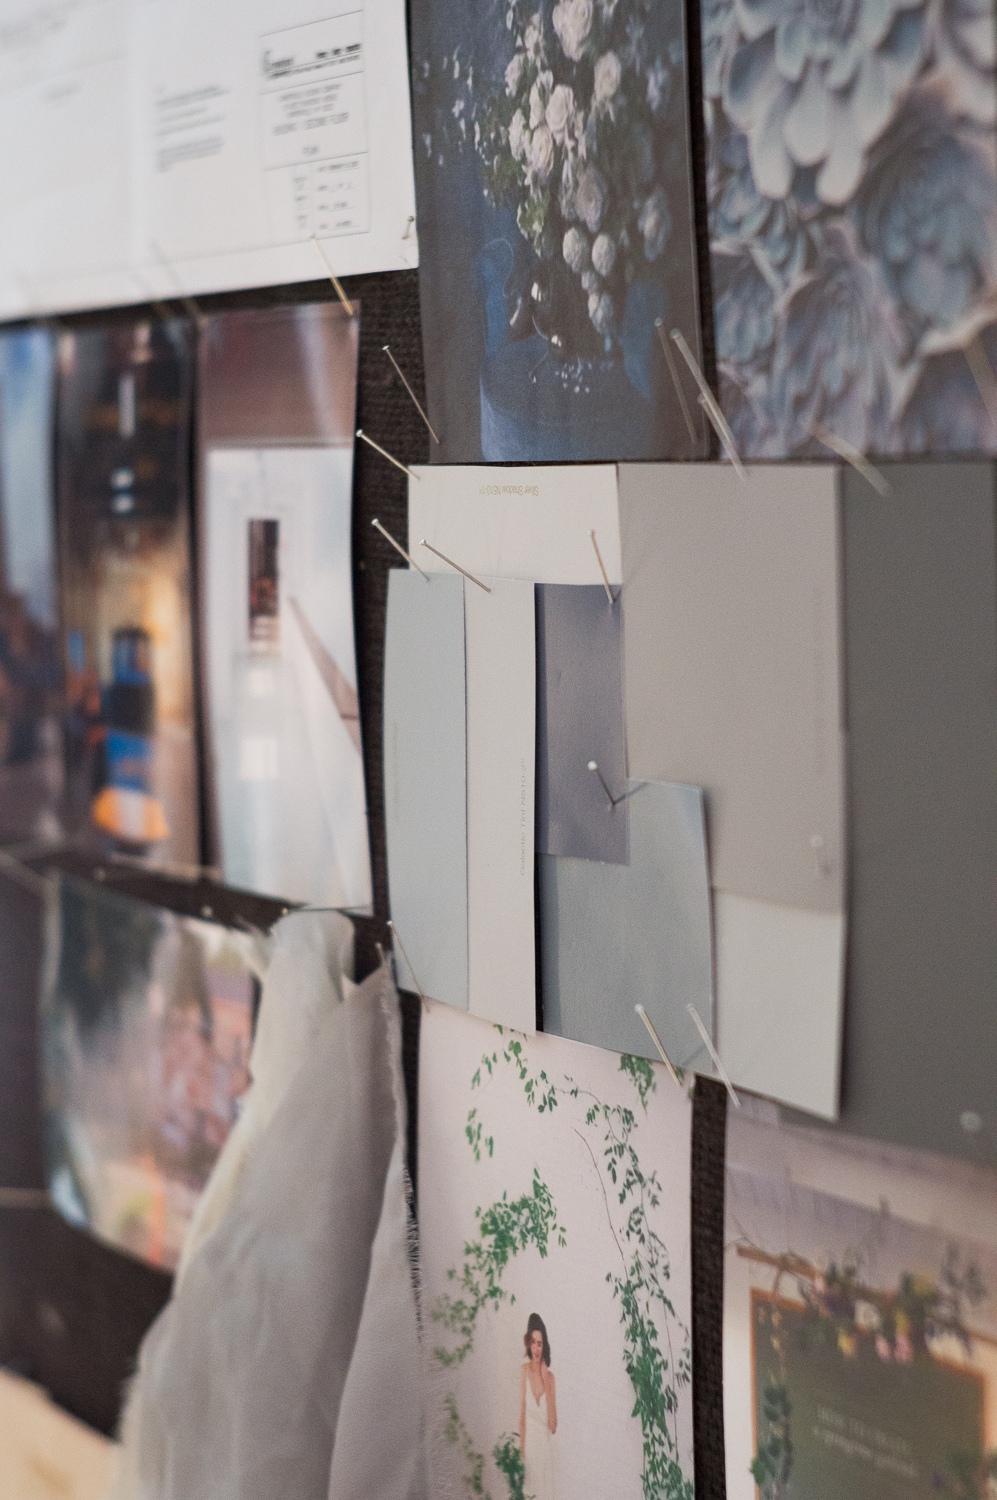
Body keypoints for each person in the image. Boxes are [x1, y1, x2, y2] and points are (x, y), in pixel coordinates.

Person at [519, 1312, 557, 1499]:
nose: (536, 1348)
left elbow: (553, 1426)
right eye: (533, 1342)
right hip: (529, 1451)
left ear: (544, 1347)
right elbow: (522, 1416)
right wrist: (521, 1452)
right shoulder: (524, 1371)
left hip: (544, 1453)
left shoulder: (550, 1378)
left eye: (540, 1343)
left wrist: (544, 1379)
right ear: (528, 1344)